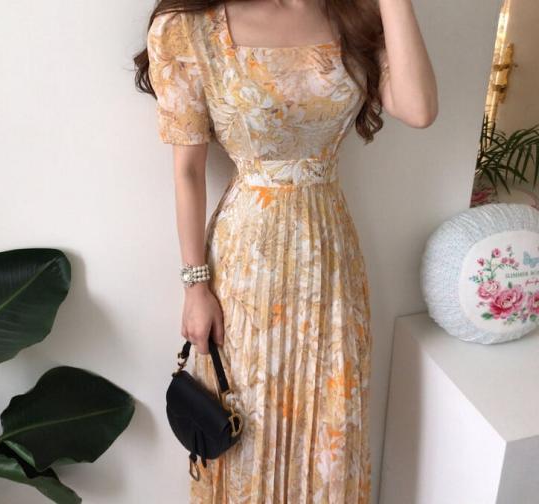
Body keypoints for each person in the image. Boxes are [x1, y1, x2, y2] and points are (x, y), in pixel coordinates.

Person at [134, 0, 437, 502]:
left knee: (330, 421)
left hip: (331, 255)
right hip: (247, 263)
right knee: (248, 421)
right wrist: (195, 286)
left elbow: (419, 108)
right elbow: (188, 172)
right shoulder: (189, 27)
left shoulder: (354, 14)